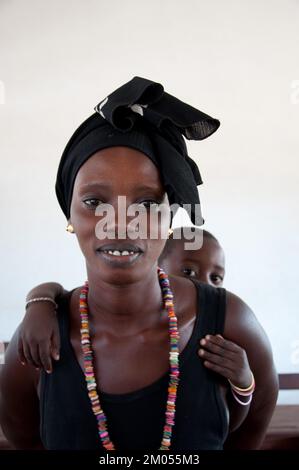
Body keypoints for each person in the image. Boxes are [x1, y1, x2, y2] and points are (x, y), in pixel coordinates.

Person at [0, 77, 278, 451]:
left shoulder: (231, 325)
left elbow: (249, 431)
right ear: (70, 216)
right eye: (95, 202)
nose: (119, 222)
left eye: (147, 203)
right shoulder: (37, 345)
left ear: (170, 217)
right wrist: (41, 300)